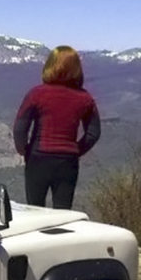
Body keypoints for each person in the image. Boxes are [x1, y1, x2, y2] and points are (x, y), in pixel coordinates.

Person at [12, 45, 101, 209]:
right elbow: (93, 133)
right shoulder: (85, 98)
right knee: (63, 213)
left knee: (35, 210)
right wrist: (75, 150)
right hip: (67, 163)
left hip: (38, 159)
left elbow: (20, 128)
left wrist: (24, 150)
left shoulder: (36, 94)